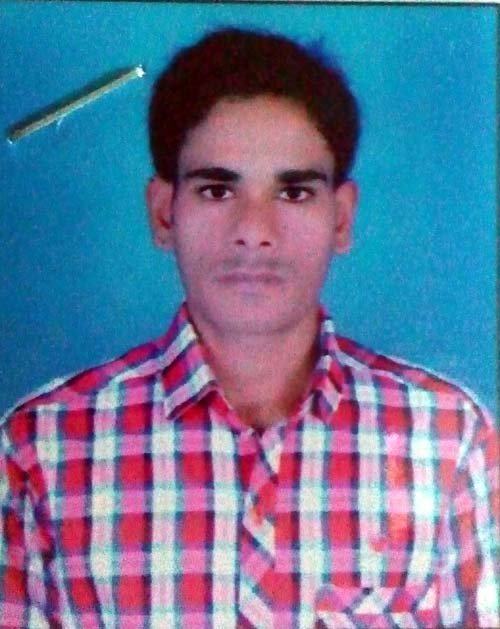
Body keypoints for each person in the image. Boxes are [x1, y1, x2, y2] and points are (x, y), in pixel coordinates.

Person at [0, 27, 498, 628]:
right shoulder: (40, 450)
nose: (254, 231)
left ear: (341, 218)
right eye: (217, 189)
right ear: (164, 214)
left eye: (294, 192)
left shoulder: (448, 440)